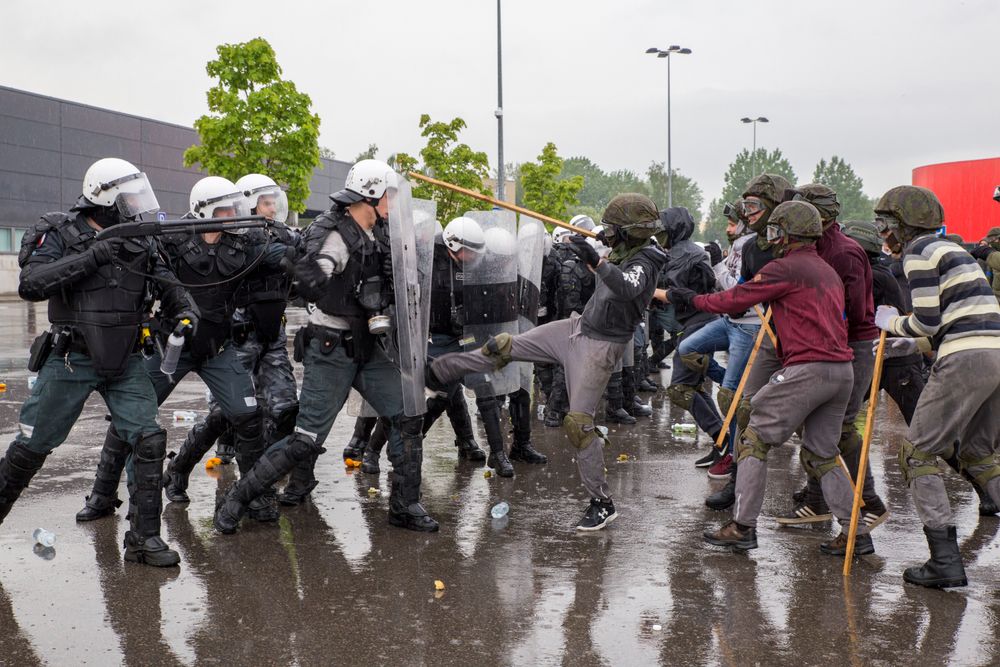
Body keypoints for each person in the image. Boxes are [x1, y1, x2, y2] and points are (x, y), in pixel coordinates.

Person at [213, 160, 439, 533]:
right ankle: (238, 499)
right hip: (331, 348)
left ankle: (405, 505)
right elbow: (314, 277)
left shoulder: (379, 231)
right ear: (370, 195)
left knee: (407, 418)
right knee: (305, 441)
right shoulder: (336, 234)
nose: (393, 204)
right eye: (389, 196)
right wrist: (311, 272)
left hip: (367, 345)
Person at [427, 194, 667, 531]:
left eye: (615, 229)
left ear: (630, 231)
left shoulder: (648, 259)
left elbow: (627, 287)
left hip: (600, 346)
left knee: (579, 424)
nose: (609, 234)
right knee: (504, 346)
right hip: (576, 327)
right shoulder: (628, 249)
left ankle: (602, 503)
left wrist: (597, 262)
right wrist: (600, 248)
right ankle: (441, 370)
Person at [3, 157, 198, 567]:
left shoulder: (140, 239)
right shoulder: (58, 230)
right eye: (129, 198)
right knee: (32, 445)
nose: (136, 205)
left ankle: (144, 540)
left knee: (148, 438)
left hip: (126, 358)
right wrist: (92, 256)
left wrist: (186, 311)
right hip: (71, 358)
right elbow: (32, 284)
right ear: (104, 198)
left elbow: (170, 285)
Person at [76, 176, 288, 524]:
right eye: (225, 209)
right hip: (172, 346)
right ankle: (102, 495)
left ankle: (255, 497)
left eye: (235, 207)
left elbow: (278, 253)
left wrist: (300, 253)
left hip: (218, 348)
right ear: (205, 211)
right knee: (130, 420)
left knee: (248, 417)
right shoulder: (171, 241)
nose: (234, 214)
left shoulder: (244, 241)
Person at [673, 201, 870, 555]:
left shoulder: (785, 268)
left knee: (753, 440)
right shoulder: (826, 269)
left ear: (786, 234)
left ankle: (742, 527)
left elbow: (735, 300)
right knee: (822, 454)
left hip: (808, 369)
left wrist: (692, 299)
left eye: (775, 231)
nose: (771, 238)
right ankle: (856, 532)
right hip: (841, 371)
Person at [874, 185, 1000, 588]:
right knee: (979, 453)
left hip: (965, 358)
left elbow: (926, 320)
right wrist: (910, 343)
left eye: (886, 223)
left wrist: (890, 323)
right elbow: (955, 321)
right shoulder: (953, 250)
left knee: (917, 453)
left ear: (904, 224)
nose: (883, 233)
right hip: (994, 352)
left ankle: (944, 562)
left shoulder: (919, 251)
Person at [844, 221, 997, 516]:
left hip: (903, 366)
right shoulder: (880, 269)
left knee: (926, 445)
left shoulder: (885, 270)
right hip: (884, 356)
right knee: (840, 425)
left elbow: (925, 320)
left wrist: (897, 329)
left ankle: (972, 502)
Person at [777, 184, 889, 531]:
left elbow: (852, 312)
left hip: (851, 347)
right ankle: (817, 500)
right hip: (821, 346)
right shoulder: (812, 248)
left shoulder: (844, 252)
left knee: (838, 429)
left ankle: (870, 502)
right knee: (814, 424)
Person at [206, 174, 300, 467]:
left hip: (273, 330)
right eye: (266, 203)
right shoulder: (237, 235)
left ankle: (269, 459)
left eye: (274, 202)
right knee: (230, 402)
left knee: (285, 404)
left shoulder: (283, 233)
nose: (273, 208)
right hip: (241, 330)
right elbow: (266, 254)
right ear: (249, 204)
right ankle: (223, 444)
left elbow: (300, 250)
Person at [674, 199, 760, 473]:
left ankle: (732, 456)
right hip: (728, 320)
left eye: (732, 224)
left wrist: (717, 265)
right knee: (687, 349)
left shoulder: (753, 248)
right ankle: (737, 388)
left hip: (749, 324)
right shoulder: (737, 247)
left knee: (729, 398)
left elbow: (737, 292)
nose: (728, 228)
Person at [661, 207, 727, 447]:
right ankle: (722, 440)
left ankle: (722, 439)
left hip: (697, 323)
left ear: (673, 229)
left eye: (662, 231)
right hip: (700, 321)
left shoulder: (682, 255)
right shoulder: (690, 251)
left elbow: (676, 292)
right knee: (694, 386)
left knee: (680, 388)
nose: (659, 236)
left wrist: (649, 291)